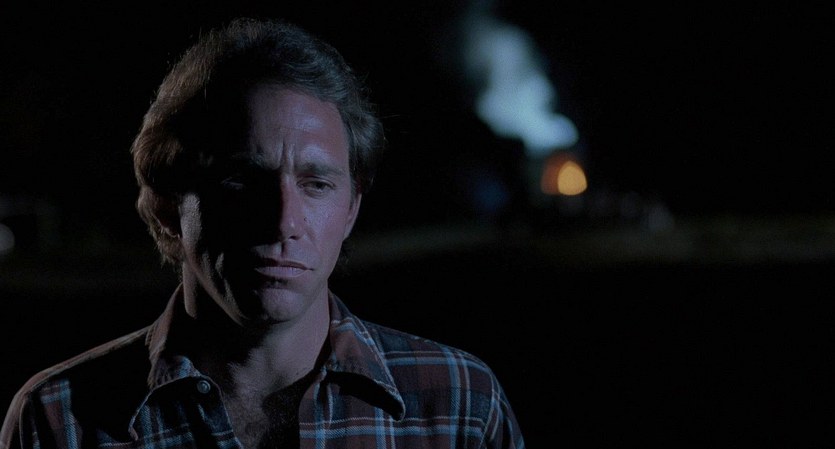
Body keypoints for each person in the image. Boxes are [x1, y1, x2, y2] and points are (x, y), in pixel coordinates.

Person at [0, 16, 525, 449]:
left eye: (316, 184)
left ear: (351, 209)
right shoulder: (61, 420)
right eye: (240, 181)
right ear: (166, 205)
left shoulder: (460, 405)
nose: (282, 222)